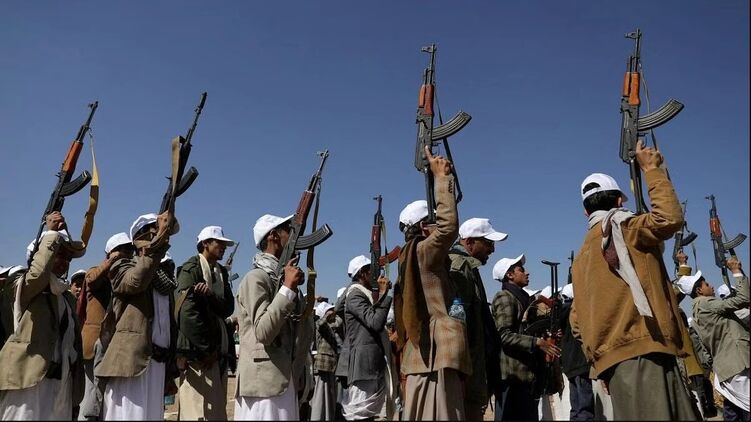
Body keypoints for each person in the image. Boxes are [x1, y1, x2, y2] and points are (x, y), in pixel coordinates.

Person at [569, 141, 700, 421]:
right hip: (646, 352)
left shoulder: (580, 258)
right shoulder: (627, 228)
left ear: (585, 212)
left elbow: (577, 322)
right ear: (619, 201)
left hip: (617, 363)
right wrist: (652, 170)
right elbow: (668, 219)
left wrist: (603, 362)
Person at [394, 146, 471, 421]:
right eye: (433, 220)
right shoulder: (424, 252)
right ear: (424, 227)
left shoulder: (411, 257)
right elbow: (449, 228)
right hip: (435, 359)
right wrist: (442, 179)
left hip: (426, 361)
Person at [0, 211, 86, 420]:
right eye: (58, 254)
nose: (64, 262)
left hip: (60, 386)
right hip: (27, 383)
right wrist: (51, 234)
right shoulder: (23, 286)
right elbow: (38, 274)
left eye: (67, 258)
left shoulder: (66, 297)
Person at [95, 212, 178, 420]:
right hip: (132, 362)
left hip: (158, 363)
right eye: (157, 231)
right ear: (142, 236)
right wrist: (156, 247)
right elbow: (135, 282)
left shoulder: (163, 275)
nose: (163, 236)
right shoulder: (123, 265)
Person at [234, 214, 311, 420]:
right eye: (289, 231)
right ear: (273, 236)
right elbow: (264, 332)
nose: (294, 237)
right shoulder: (255, 278)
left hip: (284, 380)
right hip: (263, 386)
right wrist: (287, 289)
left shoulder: (281, 279)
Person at [448, 217, 507, 420]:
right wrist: (461, 370)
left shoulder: (468, 266)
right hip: (466, 369)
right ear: (470, 242)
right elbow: (457, 321)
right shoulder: (459, 266)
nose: (492, 250)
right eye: (488, 243)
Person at [174, 225, 235, 420]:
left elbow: (227, 308)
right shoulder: (191, 269)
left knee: (216, 409)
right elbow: (186, 313)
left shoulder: (221, 272)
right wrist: (207, 349)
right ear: (206, 244)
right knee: (196, 410)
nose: (223, 248)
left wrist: (209, 296)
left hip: (217, 350)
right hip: (197, 352)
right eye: (219, 243)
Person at [491, 254, 560, 421]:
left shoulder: (522, 299)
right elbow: (503, 335)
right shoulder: (505, 297)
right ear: (510, 275)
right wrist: (537, 342)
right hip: (511, 377)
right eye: (521, 270)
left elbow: (525, 331)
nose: (527, 272)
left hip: (527, 376)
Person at [679, 257, 749, 421]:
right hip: (736, 364)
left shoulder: (696, 313)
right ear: (699, 291)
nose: (711, 286)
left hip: (726, 367)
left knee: (734, 411)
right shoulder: (706, 304)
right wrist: (736, 272)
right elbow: (743, 298)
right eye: (706, 284)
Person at [78, 232, 134, 421]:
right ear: (111, 252)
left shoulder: (125, 277)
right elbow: (91, 279)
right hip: (95, 343)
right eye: (123, 250)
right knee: (92, 392)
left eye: (130, 250)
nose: (128, 253)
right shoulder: (97, 272)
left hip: (114, 344)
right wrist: (111, 262)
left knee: (107, 397)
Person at [341, 255, 391, 421]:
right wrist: (383, 295)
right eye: (373, 271)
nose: (377, 275)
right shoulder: (355, 295)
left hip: (373, 364)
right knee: (360, 415)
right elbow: (375, 322)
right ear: (363, 273)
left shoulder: (366, 294)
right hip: (364, 365)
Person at [558, 283, 594, 421]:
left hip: (570, 364)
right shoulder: (576, 311)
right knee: (585, 408)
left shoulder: (561, 312)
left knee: (576, 407)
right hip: (580, 362)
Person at [310, 301, 341, 421]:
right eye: (329, 310)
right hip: (323, 366)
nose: (332, 312)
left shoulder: (332, 326)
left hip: (329, 366)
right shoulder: (322, 324)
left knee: (329, 398)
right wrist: (327, 316)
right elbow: (320, 323)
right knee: (320, 398)